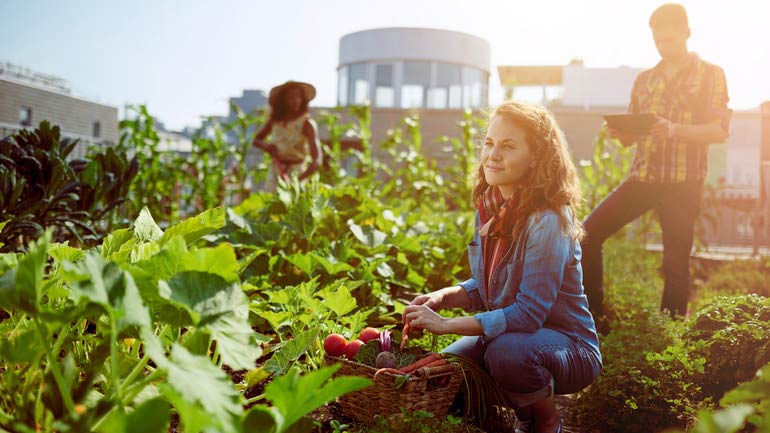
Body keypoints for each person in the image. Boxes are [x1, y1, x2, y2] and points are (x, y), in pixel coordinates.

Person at [404, 101, 602, 433]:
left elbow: (527, 315)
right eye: (490, 143)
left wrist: (445, 325)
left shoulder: (548, 220)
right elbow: (486, 287)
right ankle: (493, 420)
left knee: (507, 355)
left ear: (537, 158)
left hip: (568, 346)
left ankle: (541, 420)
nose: (493, 155)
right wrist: (440, 298)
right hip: (510, 337)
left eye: (508, 146)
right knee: (445, 372)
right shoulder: (490, 208)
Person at [581, 3, 731, 319]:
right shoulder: (644, 80)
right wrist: (618, 132)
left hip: (683, 181)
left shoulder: (711, 75)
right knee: (587, 234)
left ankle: (669, 332)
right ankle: (594, 316)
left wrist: (674, 130)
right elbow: (632, 137)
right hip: (643, 178)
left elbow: (718, 131)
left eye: (670, 41)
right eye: (658, 41)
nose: (663, 47)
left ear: (687, 33)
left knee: (676, 263)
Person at [252, 80, 322, 190]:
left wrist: (298, 180)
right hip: (276, 171)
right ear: (282, 101)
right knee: (271, 204)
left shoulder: (307, 124)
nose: (295, 100)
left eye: (298, 97)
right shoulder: (275, 122)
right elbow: (256, 140)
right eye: (290, 97)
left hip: (298, 173)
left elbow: (317, 161)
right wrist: (267, 147)